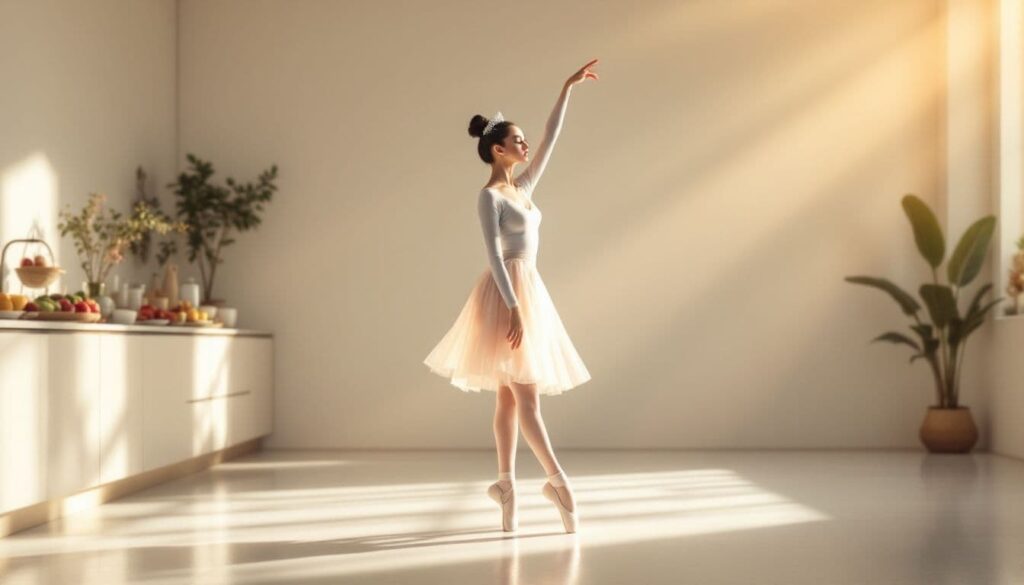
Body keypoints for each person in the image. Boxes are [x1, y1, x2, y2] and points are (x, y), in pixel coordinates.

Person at [423, 59, 600, 534]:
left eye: (524, 139)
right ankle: (559, 484)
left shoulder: (523, 188)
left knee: (507, 398)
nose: (525, 145)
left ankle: (505, 485)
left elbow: (551, 138)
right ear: (498, 150)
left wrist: (567, 88)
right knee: (526, 401)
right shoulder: (491, 198)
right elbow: (494, 256)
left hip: (528, 291)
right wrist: (516, 309)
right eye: (516, 141)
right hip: (506, 295)